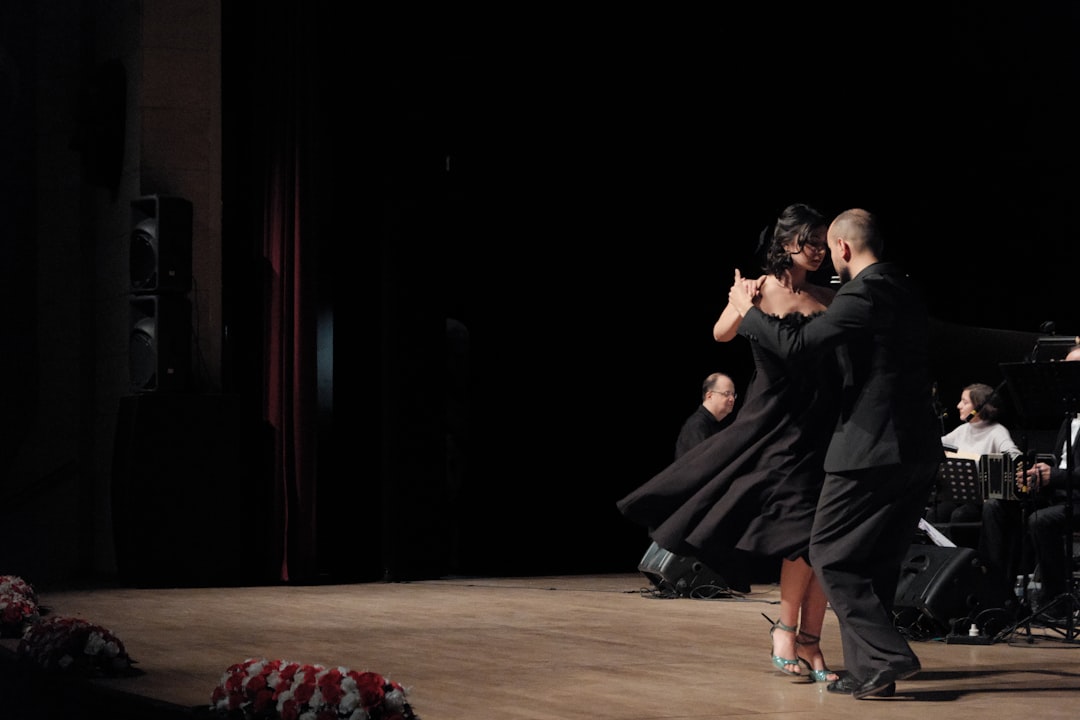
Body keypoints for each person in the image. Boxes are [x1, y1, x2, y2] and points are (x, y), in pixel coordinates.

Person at [618, 202, 841, 684]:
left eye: (823, 242)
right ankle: (788, 633)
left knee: (822, 539)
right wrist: (742, 304)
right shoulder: (758, 289)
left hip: (823, 428)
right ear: (786, 243)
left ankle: (810, 640)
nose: (818, 250)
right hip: (775, 427)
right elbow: (720, 334)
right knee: (799, 536)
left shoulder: (829, 295)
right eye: (809, 241)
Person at [728, 208, 944, 699]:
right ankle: (872, 673)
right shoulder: (905, 288)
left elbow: (798, 346)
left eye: (829, 248)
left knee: (828, 553)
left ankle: (886, 656)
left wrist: (749, 310)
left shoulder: (862, 293)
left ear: (843, 248)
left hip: (871, 448)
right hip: (918, 449)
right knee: (875, 562)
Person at [980, 344, 1080, 620]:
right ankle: (998, 597)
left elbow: (1064, 472)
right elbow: (1060, 465)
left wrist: (1054, 476)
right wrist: (1037, 476)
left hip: (1077, 500)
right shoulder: (1069, 419)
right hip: (1058, 495)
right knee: (995, 505)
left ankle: (1057, 601)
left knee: (1040, 520)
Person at [925, 383, 1021, 547]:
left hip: (981, 501)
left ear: (979, 407)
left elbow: (1015, 456)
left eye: (964, 402)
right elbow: (935, 446)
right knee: (934, 514)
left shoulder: (997, 431)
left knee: (960, 516)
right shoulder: (963, 430)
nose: (958, 406)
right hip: (958, 496)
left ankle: (967, 559)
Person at [673, 372, 737, 459]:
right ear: (709, 396)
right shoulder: (696, 425)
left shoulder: (714, 424)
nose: (732, 399)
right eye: (727, 394)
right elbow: (701, 463)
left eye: (733, 394)